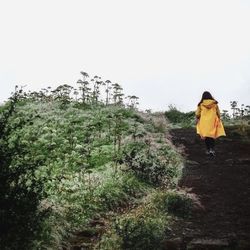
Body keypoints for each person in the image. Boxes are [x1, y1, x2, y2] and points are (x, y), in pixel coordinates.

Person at [195, 91, 226, 156]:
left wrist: (197, 118)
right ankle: (212, 149)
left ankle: (208, 150)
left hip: (204, 122)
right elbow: (218, 113)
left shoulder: (200, 104)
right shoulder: (214, 104)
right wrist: (219, 118)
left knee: (206, 136)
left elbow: (197, 114)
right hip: (212, 121)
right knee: (212, 136)